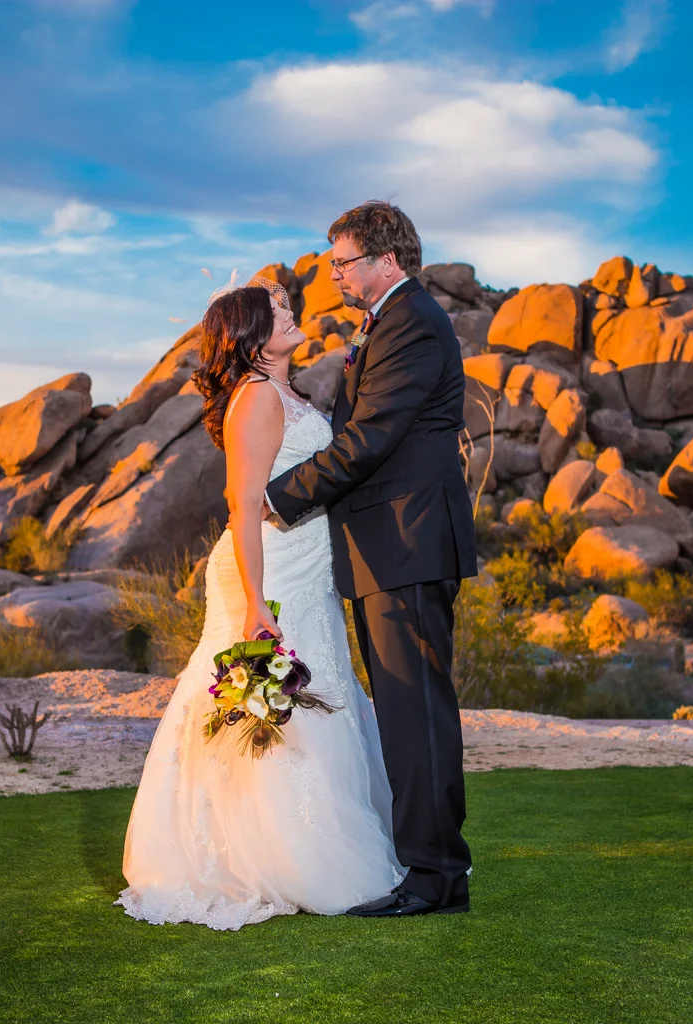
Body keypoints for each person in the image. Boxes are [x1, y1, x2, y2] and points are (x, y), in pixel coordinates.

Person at [116, 279, 402, 931]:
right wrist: (255, 605)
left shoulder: (287, 392)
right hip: (268, 573)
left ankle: (314, 848)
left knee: (315, 699)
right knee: (269, 708)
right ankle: (273, 858)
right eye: (275, 313)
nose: (290, 312)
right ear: (249, 339)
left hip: (307, 569)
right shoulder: (257, 397)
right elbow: (242, 507)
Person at [265, 201, 477, 917]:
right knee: (403, 711)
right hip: (387, 548)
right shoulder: (388, 321)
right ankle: (433, 868)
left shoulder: (412, 321)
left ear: (387, 259)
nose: (334, 274)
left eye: (343, 261)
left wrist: (278, 498)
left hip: (407, 545)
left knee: (414, 713)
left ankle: (434, 877)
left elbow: (369, 442)